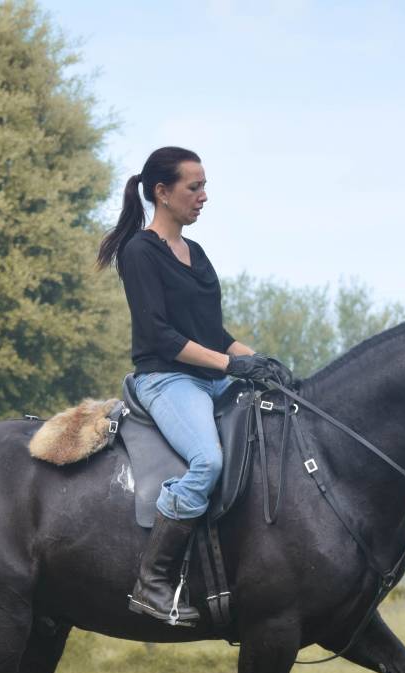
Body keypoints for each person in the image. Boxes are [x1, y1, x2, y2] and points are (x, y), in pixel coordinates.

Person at [97, 146, 295, 625]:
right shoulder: (140, 251)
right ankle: (153, 584)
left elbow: (215, 335)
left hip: (210, 377)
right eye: (194, 186)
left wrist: (260, 362)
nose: (204, 196)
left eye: (204, 185)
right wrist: (230, 365)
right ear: (162, 193)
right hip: (166, 380)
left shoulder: (197, 253)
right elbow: (161, 336)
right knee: (207, 461)